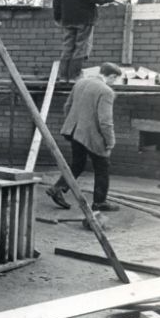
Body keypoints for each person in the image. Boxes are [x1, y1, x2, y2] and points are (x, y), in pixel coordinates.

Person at [45, 62, 123, 212]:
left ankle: (57, 188)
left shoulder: (80, 83)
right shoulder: (106, 91)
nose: (114, 83)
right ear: (112, 76)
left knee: (77, 164)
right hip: (90, 135)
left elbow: (67, 106)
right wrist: (110, 142)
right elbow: (105, 122)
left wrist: (73, 123)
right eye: (115, 79)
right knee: (102, 167)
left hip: (74, 131)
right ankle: (99, 203)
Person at [52, 0, 116, 82]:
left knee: (67, 46)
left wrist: (58, 16)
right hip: (84, 19)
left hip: (68, 19)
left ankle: (63, 76)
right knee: (81, 47)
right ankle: (74, 76)